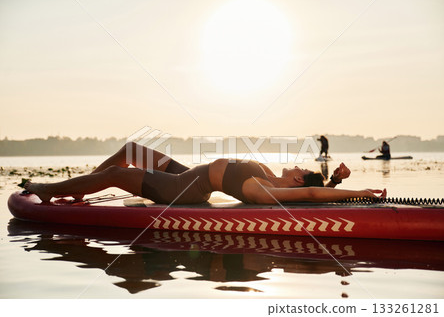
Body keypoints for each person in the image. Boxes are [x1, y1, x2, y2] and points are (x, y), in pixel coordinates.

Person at [24, 142, 386, 205]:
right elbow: (316, 188)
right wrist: (336, 180)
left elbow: (310, 195)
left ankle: (50, 189)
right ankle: (85, 184)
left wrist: (362, 194)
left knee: (120, 173)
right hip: (188, 174)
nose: (297, 164)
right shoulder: (271, 176)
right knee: (132, 151)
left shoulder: (265, 189)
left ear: (295, 179)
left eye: (300, 168)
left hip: (180, 189)